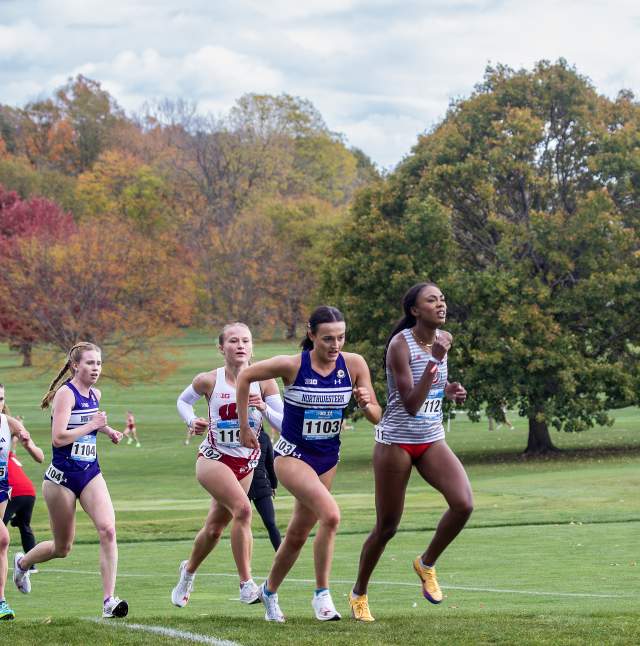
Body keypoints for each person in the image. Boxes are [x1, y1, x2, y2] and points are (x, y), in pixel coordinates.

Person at [236, 305, 382, 623]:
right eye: (328, 338)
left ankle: (269, 592)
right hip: (291, 456)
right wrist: (245, 425)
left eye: (341, 338)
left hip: (328, 458)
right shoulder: (293, 365)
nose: (335, 345)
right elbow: (246, 376)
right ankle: (322, 596)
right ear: (311, 334)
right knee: (330, 515)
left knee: (298, 534)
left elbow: (376, 416)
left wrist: (366, 403)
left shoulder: (354, 364)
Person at [349, 282, 473, 622]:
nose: (440, 304)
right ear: (415, 311)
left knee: (464, 504)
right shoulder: (399, 346)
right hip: (396, 443)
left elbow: (431, 384)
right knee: (387, 527)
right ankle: (359, 592)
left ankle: (426, 563)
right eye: (431, 300)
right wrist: (437, 359)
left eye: (443, 299)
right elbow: (412, 403)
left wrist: (450, 390)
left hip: (432, 438)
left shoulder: (441, 340)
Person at [12, 342, 129, 619]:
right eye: (90, 363)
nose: (96, 368)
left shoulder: (95, 393)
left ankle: (108, 601)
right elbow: (59, 437)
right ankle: (23, 562)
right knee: (62, 548)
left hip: (90, 473)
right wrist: (92, 425)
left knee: (108, 530)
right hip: (61, 479)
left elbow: (89, 422)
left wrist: (107, 430)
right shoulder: (66, 393)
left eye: (99, 363)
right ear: (76, 365)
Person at [172, 322, 284, 608]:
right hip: (212, 459)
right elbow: (183, 402)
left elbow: (283, 424)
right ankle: (246, 584)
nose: (240, 346)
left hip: (245, 462)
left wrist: (263, 408)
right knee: (243, 510)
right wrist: (191, 420)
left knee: (213, 529)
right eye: (233, 341)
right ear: (222, 348)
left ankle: (188, 572)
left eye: (245, 340)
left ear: (252, 347)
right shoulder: (209, 380)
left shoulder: (266, 381)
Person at [0, 388, 44, 620]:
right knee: (4, 538)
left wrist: (27, 443)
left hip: (1, 486)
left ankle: (1, 603)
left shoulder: (9, 424)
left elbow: (39, 457)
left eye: (1, 399)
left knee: (1, 542)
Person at [4, 434, 44, 572]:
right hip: (29, 493)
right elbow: (11, 448)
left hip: (12, 492)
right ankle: (31, 565)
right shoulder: (11, 457)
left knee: (1, 528)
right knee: (24, 525)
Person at [247, 430, 281, 551]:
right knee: (245, 525)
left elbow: (270, 463)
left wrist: (273, 485)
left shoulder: (263, 437)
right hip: (244, 485)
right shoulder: (263, 436)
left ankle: (282, 557)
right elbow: (270, 464)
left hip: (259, 484)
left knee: (270, 523)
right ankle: (244, 564)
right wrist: (273, 485)